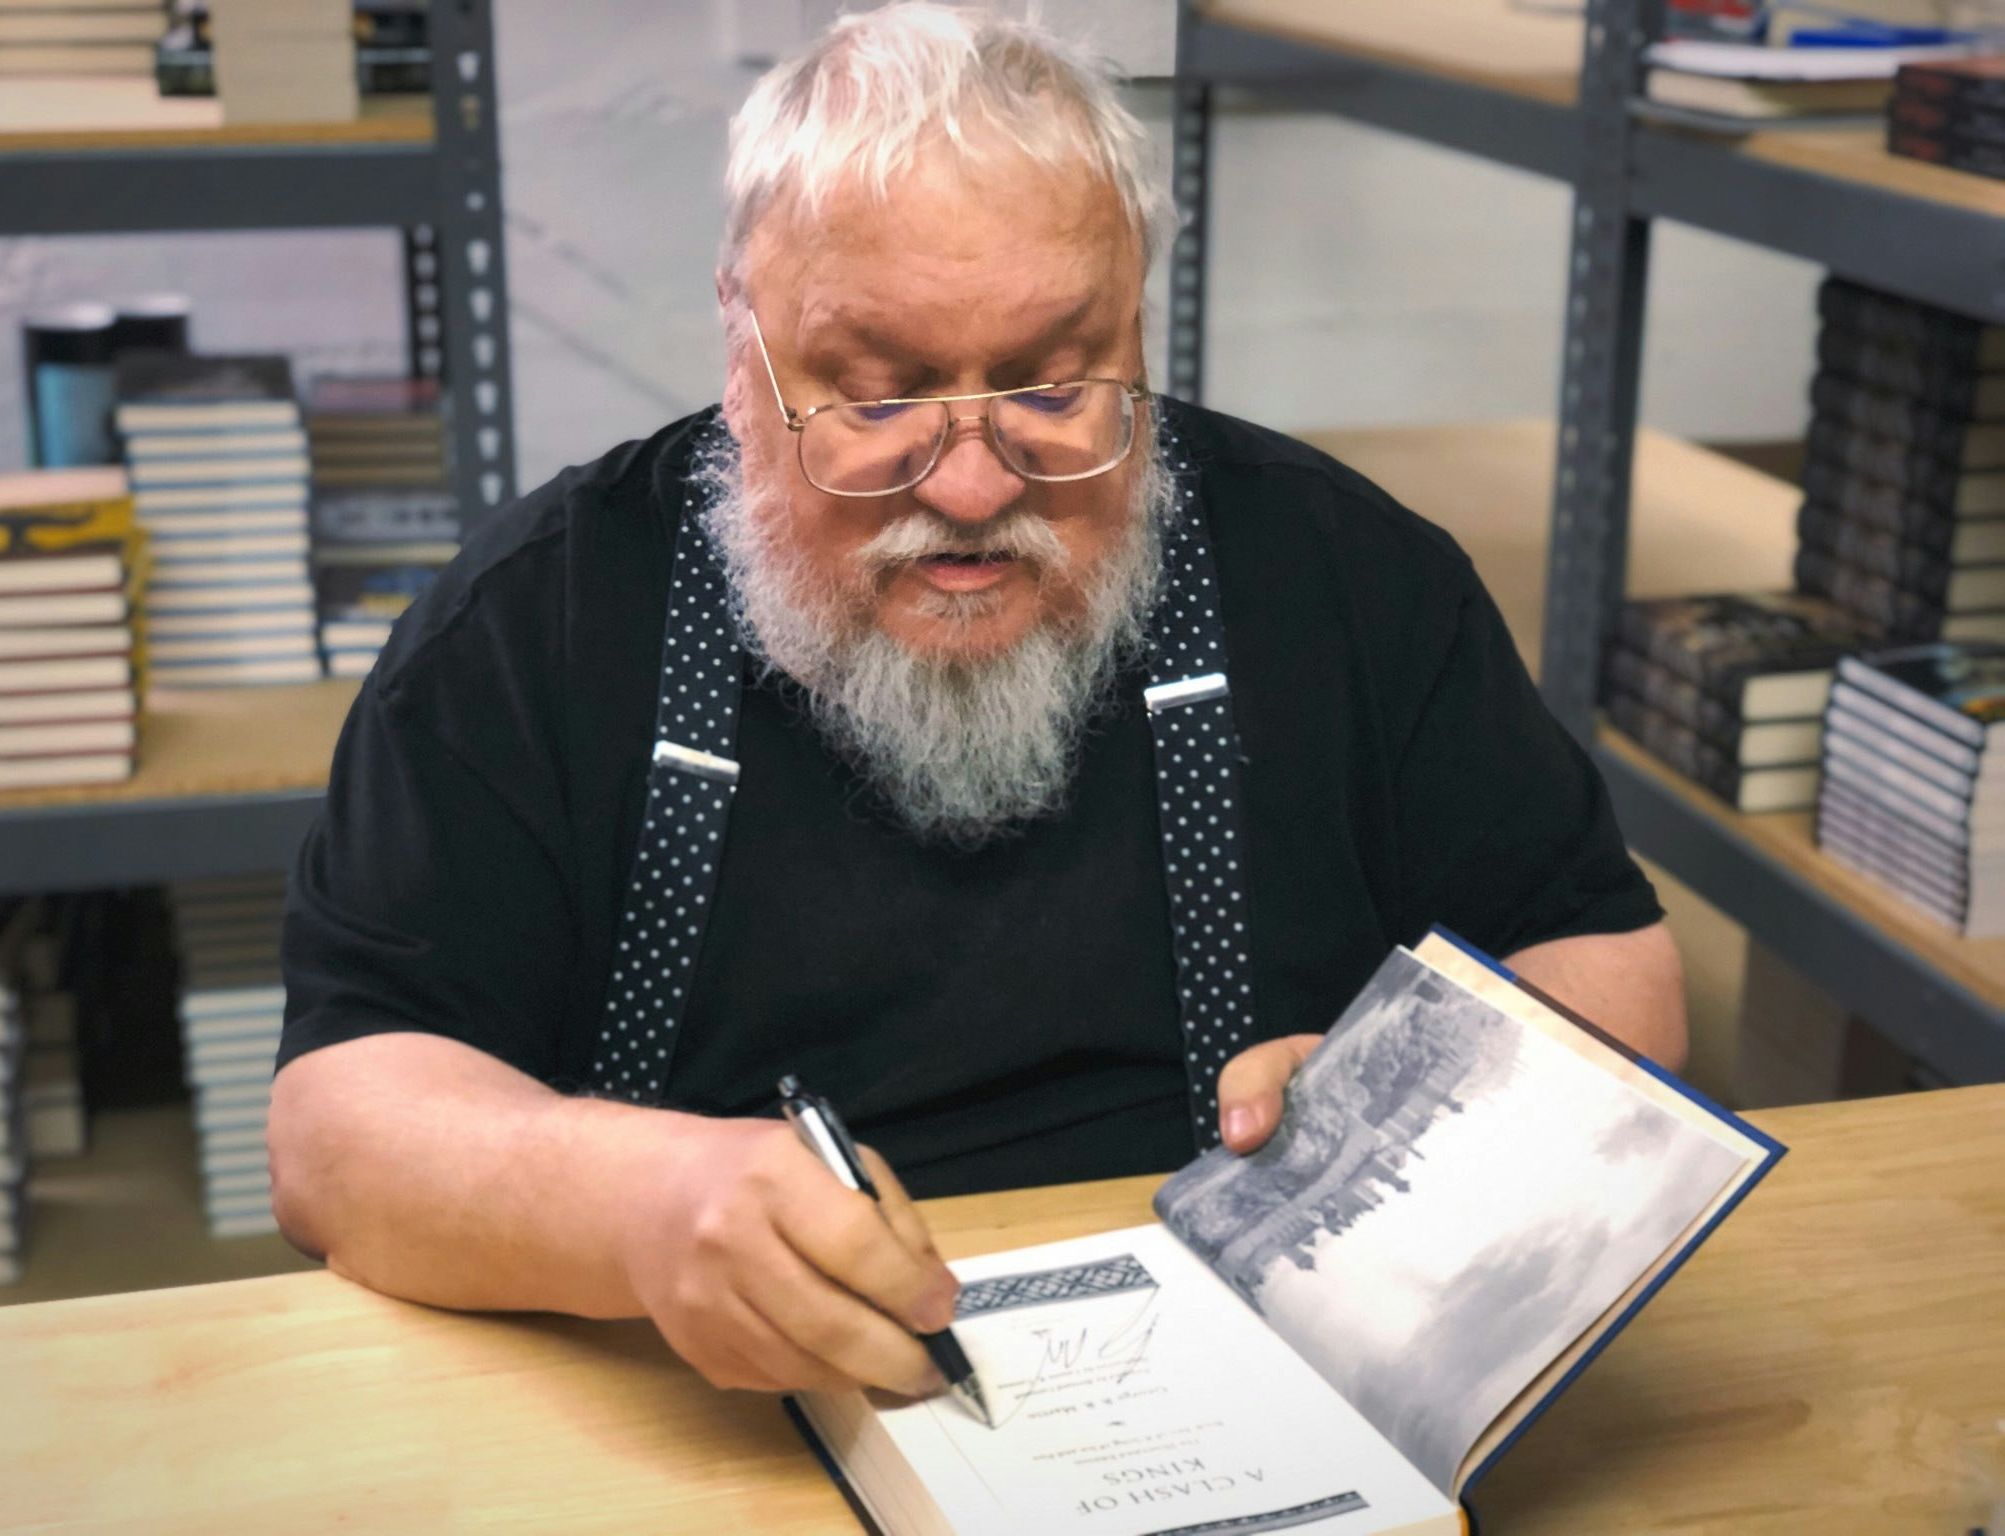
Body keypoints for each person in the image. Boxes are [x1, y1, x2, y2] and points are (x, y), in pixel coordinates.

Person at [269, 3, 1684, 1407]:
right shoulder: (536, 624)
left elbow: (1606, 956)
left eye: (1054, 386)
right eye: (874, 396)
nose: (968, 488)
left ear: (1139, 323)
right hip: (708, 1408)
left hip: (1257, 1390)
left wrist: (1414, 1110)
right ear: (741, 341)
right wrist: (632, 1205)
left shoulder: (1344, 577)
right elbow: (337, 1130)